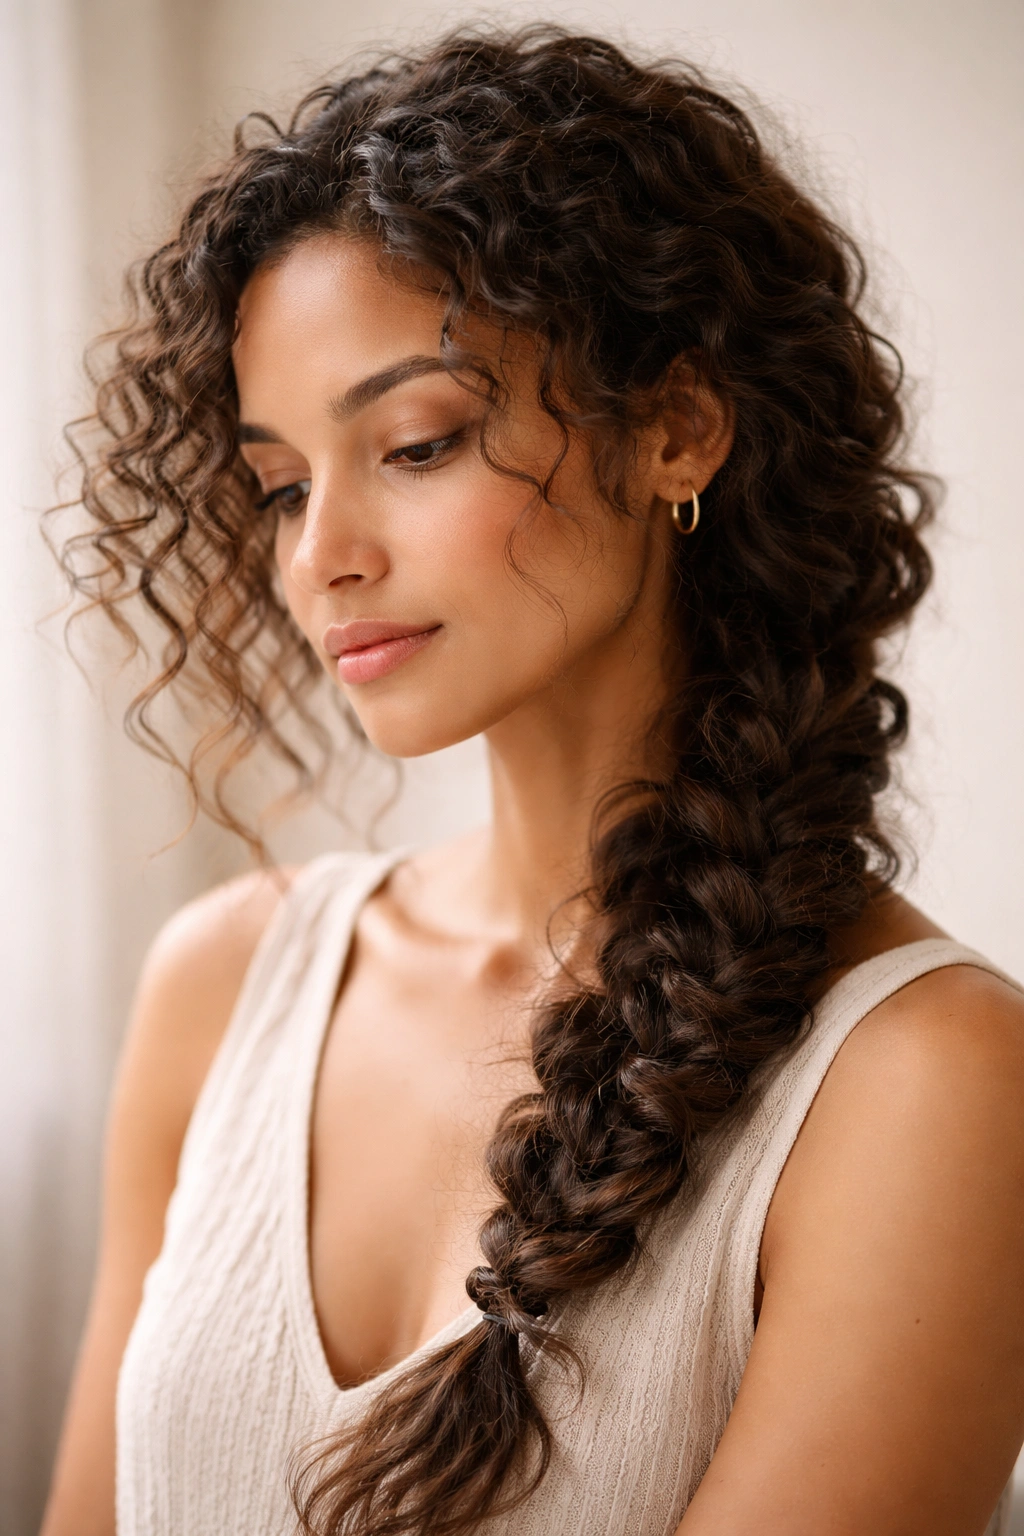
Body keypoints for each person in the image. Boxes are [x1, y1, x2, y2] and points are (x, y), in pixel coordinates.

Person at [40, 27, 1024, 1536]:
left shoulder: (930, 1083)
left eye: (418, 444)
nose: (322, 556)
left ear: (677, 429)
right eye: (283, 485)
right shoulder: (225, 981)